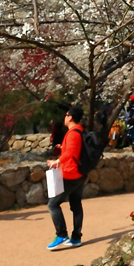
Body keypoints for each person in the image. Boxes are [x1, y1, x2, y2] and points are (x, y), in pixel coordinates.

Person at [47, 104, 87, 251]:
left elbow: (70, 153)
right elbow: (73, 150)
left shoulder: (73, 133)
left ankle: (61, 234)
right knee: (76, 205)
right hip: (80, 173)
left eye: (66, 115)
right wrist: (62, 148)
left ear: (70, 117)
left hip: (71, 173)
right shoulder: (80, 131)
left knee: (52, 204)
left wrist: (57, 162)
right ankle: (76, 238)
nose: (64, 117)